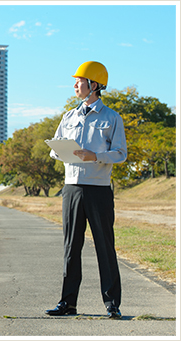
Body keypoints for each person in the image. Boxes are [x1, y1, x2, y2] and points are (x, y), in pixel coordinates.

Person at [45, 61, 127, 319]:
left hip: (98, 189)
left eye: (79, 81)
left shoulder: (112, 118)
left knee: (105, 246)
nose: (74, 85)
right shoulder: (68, 116)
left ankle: (112, 304)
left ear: (93, 85)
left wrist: (96, 156)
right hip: (71, 189)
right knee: (71, 247)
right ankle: (67, 303)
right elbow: (53, 149)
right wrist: (62, 152)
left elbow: (121, 154)